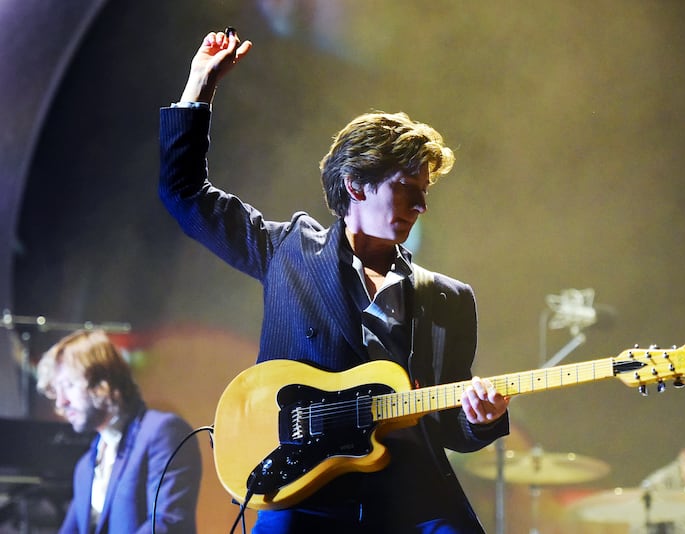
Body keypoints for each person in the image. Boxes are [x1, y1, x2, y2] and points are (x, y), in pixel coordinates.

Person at [159, 28, 510, 533]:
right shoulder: (287, 252)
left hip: (409, 498)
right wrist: (200, 87)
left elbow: (447, 421)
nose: (421, 204)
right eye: (407, 187)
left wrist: (481, 418)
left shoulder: (448, 298)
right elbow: (184, 195)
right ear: (355, 184)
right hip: (305, 492)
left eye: (425, 191)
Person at [35, 330, 202, 534]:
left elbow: (167, 524)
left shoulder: (163, 431)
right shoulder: (84, 468)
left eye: (69, 385)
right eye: (56, 390)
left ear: (102, 381)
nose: (61, 402)